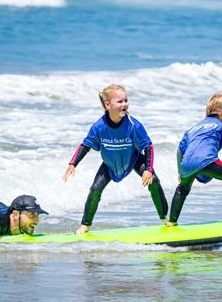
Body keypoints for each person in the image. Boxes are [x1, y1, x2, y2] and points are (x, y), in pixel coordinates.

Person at [62, 84, 168, 234]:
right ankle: (85, 225)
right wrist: (73, 164)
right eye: (120, 102)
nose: (124, 104)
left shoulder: (133, 125)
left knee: (154, 181)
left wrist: (149, 170)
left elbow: (148, 146)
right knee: (95, 189)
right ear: (107, 105)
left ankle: (165, 218)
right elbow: (86, 145)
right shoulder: (99, 126)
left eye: (126, 100)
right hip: (109, 164)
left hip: (134, 160)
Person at [166, 94, 222, 227]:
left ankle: (171, 220)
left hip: (186, 164)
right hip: (207, 160)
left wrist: (180, 171)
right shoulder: (220, 126)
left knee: (182, 189)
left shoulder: (192, 129)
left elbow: (180, 150)